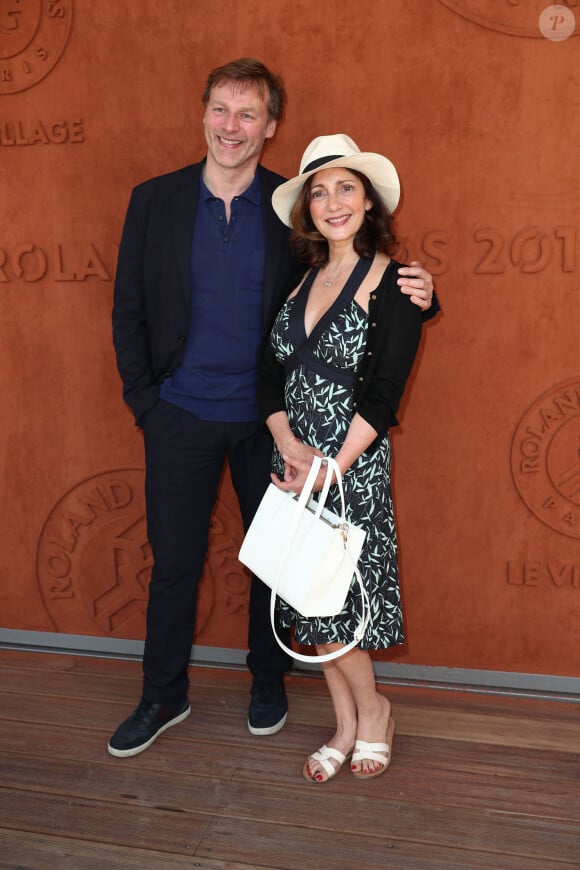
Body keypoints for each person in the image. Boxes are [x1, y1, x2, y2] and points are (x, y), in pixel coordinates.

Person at [110, 58, 437, 759]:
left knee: (282, 565)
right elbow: (128, 308)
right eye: (222, 110)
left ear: (270, 127)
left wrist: (423, 296)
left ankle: (270, 682)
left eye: (249, 113)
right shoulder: (154, 201)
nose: (233, 126)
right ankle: (162, 693)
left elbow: (357, 283)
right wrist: (147, 403)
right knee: (174, 560)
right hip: (181, 415)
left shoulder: (287, 211)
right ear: (204, 113)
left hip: (272, 427)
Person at [258, 133, 426, 782]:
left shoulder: (398, 285)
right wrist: (289, 446)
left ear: (368, 201)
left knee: (335, 604)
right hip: (296, 467)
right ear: (307, 210)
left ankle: (376, 709)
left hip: (349, 470)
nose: (332, 202)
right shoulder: (299, 285)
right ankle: (348, 722)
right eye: (319, 192)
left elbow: (385, 397)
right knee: (309, 598)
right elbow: (266, 376)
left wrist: (330, 465)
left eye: (345, 188)